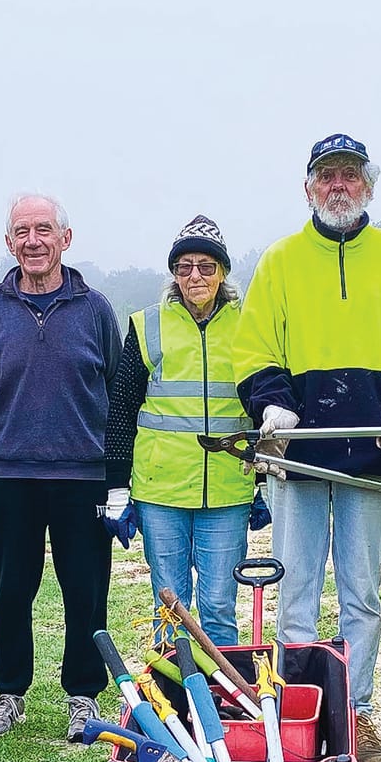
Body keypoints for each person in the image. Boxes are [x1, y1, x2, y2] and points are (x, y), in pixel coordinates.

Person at [231, 134, 381, 762]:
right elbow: (255, 347)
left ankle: (356, 713)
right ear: (308, 188)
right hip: (300, 455)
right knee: (296, 590)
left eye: (349, 175)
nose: (338, 185)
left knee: (362, 594)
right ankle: (300, 710)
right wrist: (272, 406)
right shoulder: (280, 261)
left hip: (374, 453)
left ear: (368, 186)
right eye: (326, 175)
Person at [0, 192, 122, 744]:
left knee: (86, 591)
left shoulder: (95, 310)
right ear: (9, 242)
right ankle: (9, 693)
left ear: (65, 238)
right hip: (11, 474)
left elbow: (112, 386)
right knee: (11, 589)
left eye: (44, 230)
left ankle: (84, 695)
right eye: (22, 232)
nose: (33, 241)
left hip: (83, 475)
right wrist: (17, 435)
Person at [103, 215, 253, 646]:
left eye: (206, 266)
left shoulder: (249, 324)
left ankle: (222, 689)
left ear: (222, 272)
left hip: (228, 491)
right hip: (161, 492)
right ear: (173, 273)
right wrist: (117, 490)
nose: (195, 276)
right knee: (169, 608)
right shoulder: (147, 325)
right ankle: (173, 687)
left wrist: (263, 482)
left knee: (219, 606)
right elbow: (122, 410)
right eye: (184, 266)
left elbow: (262, 407)